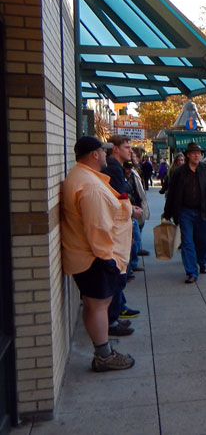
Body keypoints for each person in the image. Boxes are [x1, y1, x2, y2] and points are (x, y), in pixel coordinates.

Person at [61, 136, 136, 371]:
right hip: (94, 258)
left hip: (87, 255)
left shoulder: (83, 177)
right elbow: (97, 227)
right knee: (98, 304)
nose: (106, 155)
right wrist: (107, 259)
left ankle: (102, 351)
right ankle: (104, 355)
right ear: (94, 154)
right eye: (103, 152)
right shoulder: (90, 186)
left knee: (95, 304)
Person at [162, 143, 206, 284]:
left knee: (203, 241)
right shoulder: (179, 173)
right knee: (187, 242)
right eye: (194, 153)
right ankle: (191, 271)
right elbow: (172, 194)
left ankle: (202, 262)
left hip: (203, 211)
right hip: (185, 212)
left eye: (199, 153)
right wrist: (167, 212)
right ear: (188, 155)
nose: (197, 155)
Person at [101, 136, 140, 330]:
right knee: (118, 270)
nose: (130, 150)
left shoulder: (117, 167)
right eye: (126, 147)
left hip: (122, 221)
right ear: (115, 149)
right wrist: (132, 209)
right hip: (117, 226)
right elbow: (119, 194)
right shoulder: (113, 168)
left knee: (121, 269)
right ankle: (113, 318)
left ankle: (119, 307)